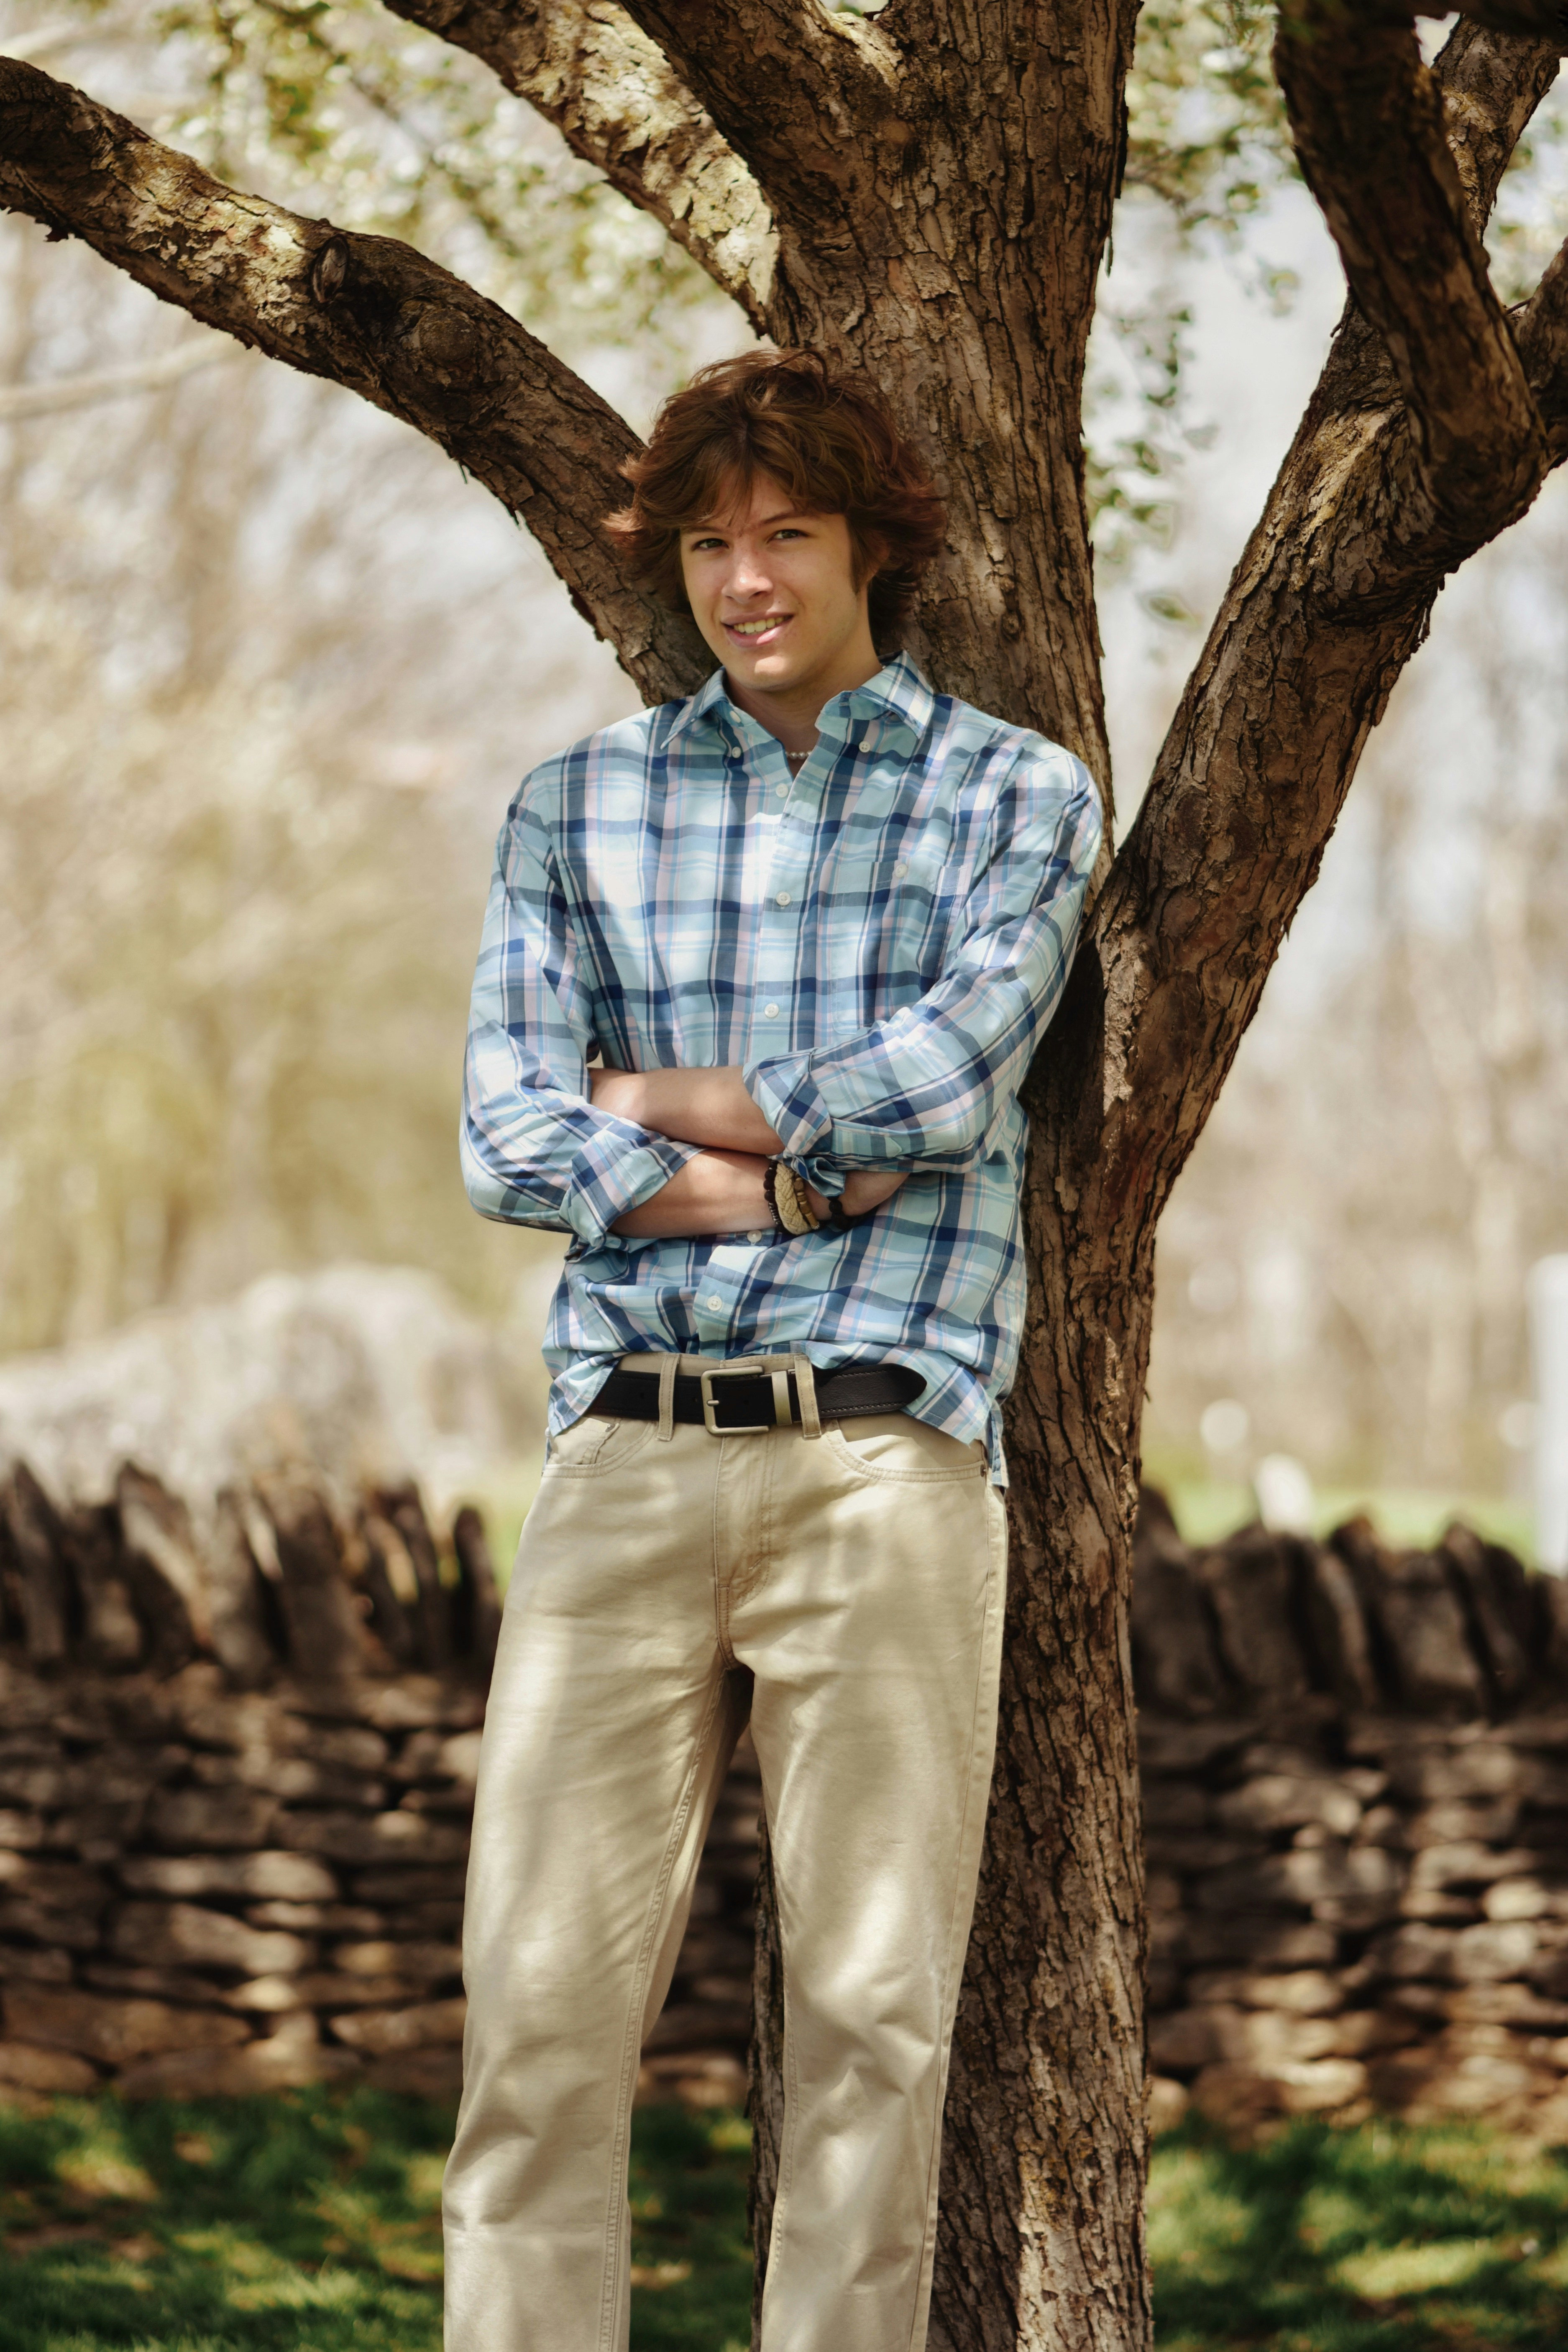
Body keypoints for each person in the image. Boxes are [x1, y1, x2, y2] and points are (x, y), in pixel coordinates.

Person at [442, 349, 1102, 2352]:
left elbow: (941, 1085)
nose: (746, 581)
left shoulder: (1015, 791)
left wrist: (648, 1110)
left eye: (786, 536)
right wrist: (793, 1177)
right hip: (624, 1455)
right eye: (714, 545)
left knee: (873, 2026)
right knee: (537, 2017)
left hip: (882, 1463)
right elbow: (503, 1132)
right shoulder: (578, 803)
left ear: (869, 544)